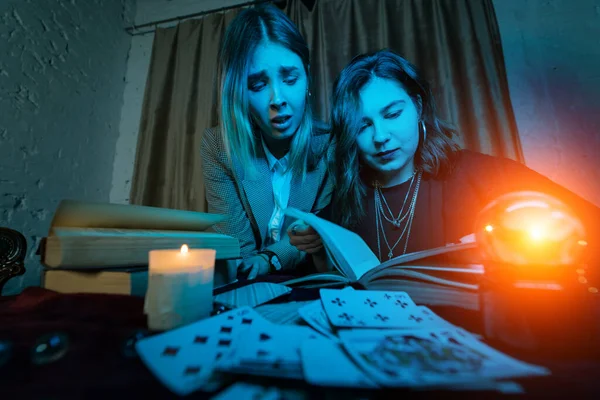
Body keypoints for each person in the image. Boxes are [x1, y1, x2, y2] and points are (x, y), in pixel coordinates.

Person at [289, 49, 599, 269]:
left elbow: (586, 225)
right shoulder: (342, 206)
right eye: (363, 125)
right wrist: (316, 249)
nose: (380, 136)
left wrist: (511, 247)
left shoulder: (486, 175)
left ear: (418, 106)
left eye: (393, 113)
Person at [201, 5, 332, 280]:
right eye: (258, 85)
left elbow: (317, 233)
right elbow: (237, 252)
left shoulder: (331, 145)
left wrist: (268, 259)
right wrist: (256, 266)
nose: (277, 99)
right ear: (239, 92)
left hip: (316, 284)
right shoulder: (217, 148)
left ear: (307, 76)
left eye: (290, 77)